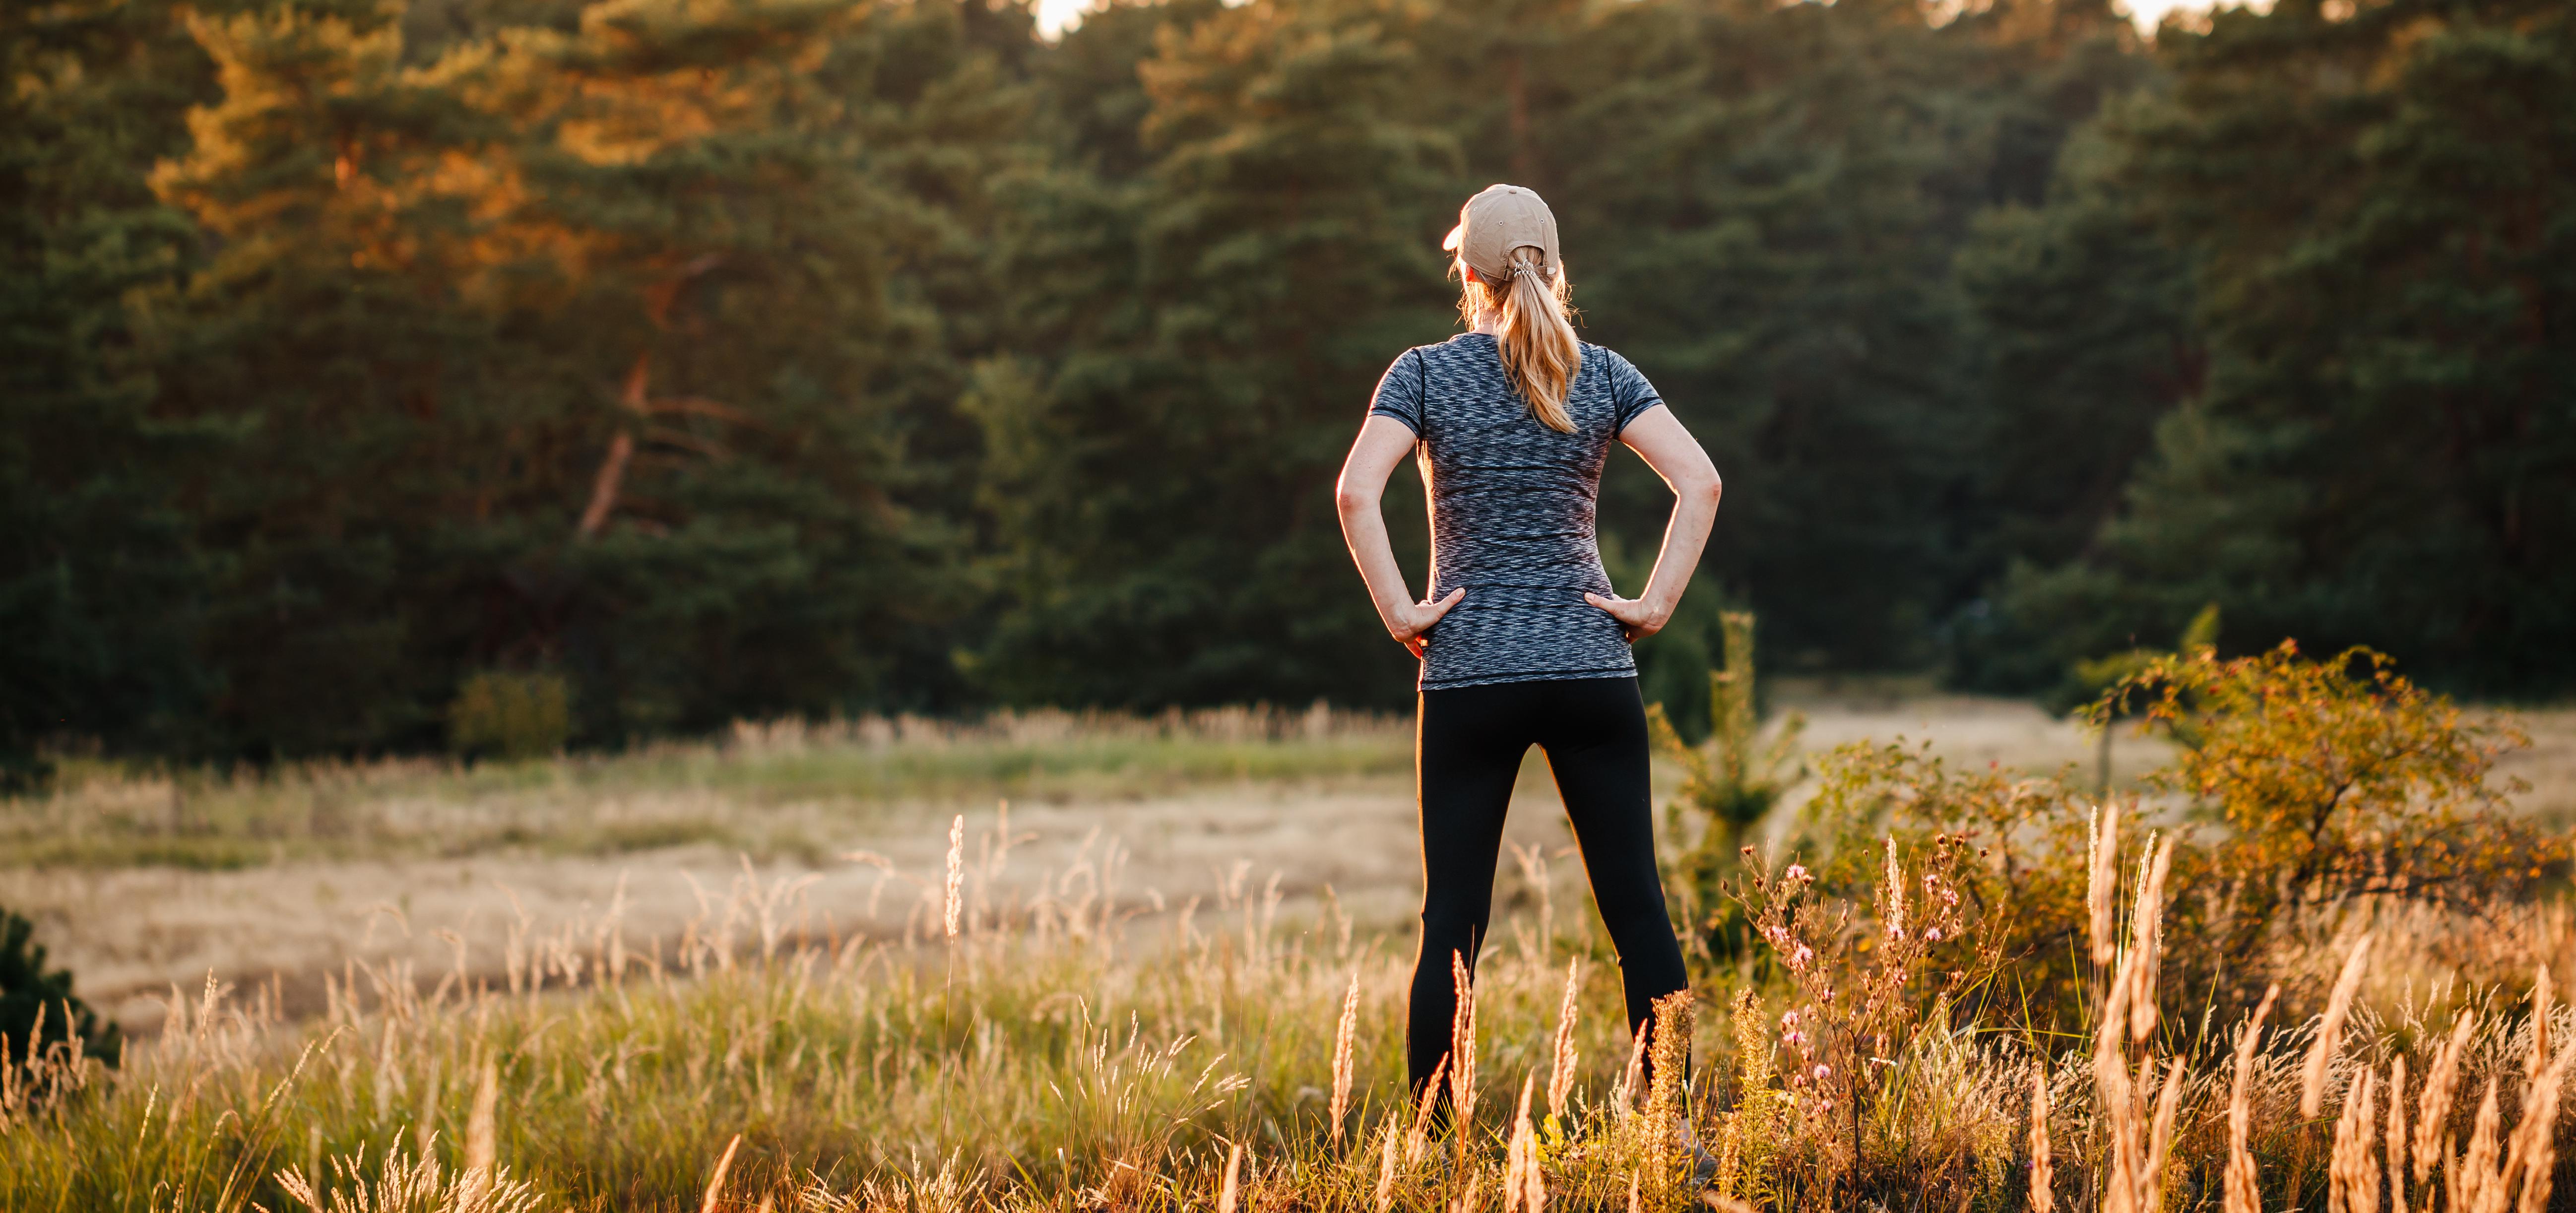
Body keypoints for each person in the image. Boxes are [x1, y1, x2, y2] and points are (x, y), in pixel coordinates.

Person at [1333, 184, 1722, 1117]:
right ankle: (1669, 1128)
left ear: (1466, 270)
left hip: (1469, 669)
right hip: (1592, 663)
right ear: (1553, 263)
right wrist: (1652, 604)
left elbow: (1355, 494)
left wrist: (1404, 611)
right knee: (1638, 912)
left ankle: (1429, 1146)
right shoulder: (1607, 372)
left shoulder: (1423, 373)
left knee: (1453, 926)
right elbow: (1701, 482)